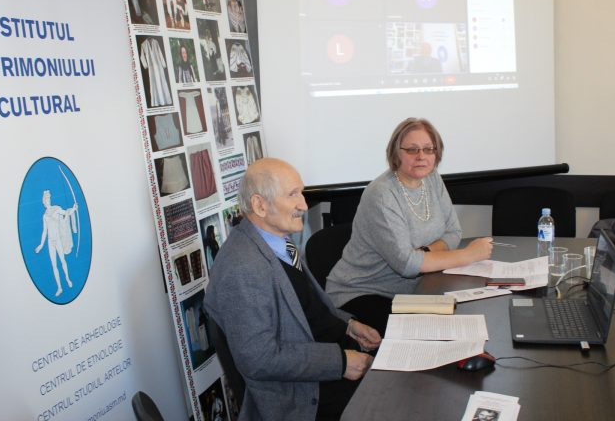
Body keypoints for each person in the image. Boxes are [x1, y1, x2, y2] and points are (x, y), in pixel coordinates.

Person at [204, 158, 382, 421]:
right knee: (397, 398)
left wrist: (348, 325)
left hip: (325, 359)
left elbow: (309, 307)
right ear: (260, 205)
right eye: (292, 194)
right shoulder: (242, 268)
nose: (304, 205)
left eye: (301, 192)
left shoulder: (275, 242)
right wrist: (341, 362)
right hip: (303, 394)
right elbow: (259, 358)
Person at [326, 117, 493, 335]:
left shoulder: (431, 178)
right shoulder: (382, 195)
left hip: (417, 287)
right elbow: (407, 265)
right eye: (412, 150)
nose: (421, 156)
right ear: (396, 153)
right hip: (364, 291)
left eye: (428, 149)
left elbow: (453, 232)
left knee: (468, 320)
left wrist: (424, 254)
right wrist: (468, 255)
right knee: (430, 335)